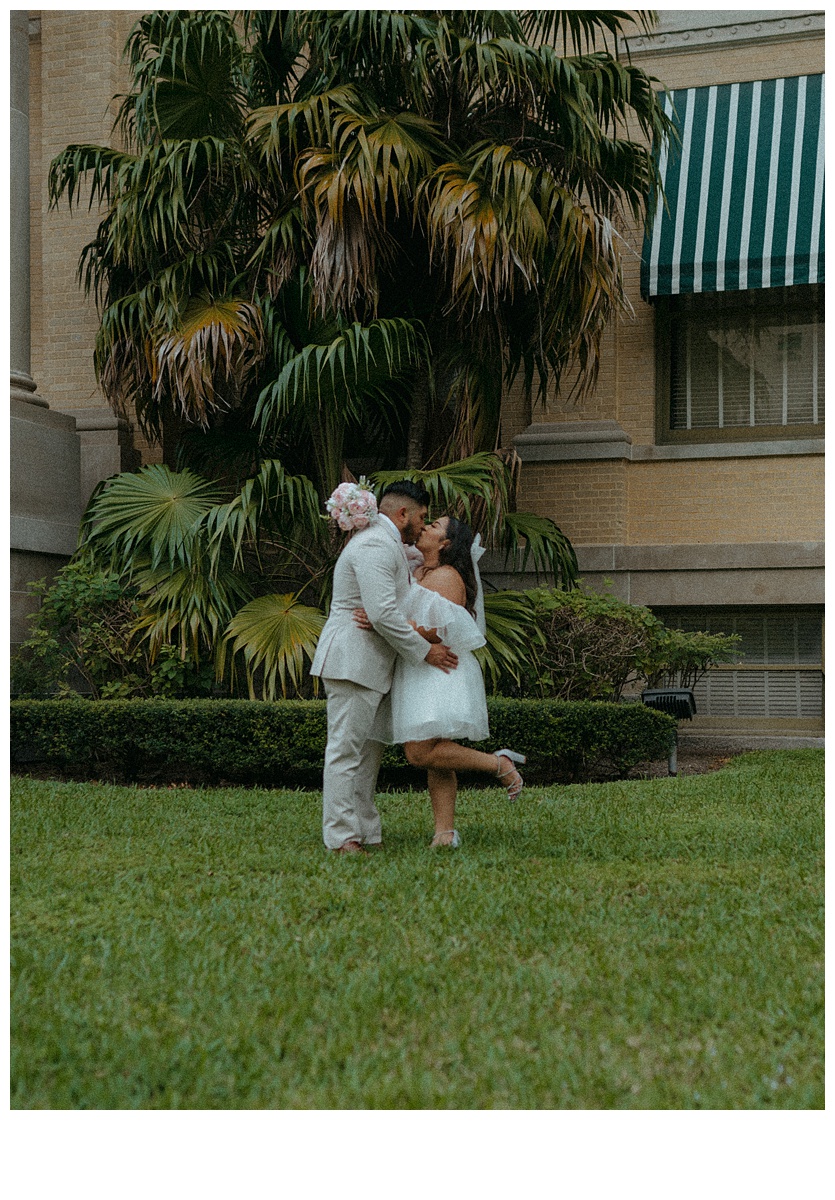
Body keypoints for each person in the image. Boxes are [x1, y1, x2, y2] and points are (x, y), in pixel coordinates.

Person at [356, 515, 525, 848]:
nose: (425, 528)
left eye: (433, 526)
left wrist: (383, 624)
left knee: (420, 753)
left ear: (445, 543)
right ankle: (444, 833)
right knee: (437, 755)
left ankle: (498, 764)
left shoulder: (448, 576)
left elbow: (438, 628)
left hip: (440, 670)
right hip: (417, 668)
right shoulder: (419, 570)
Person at [310, 481, 459, 855]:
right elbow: (382, 612)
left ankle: (365, 830)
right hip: (352, 659)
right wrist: (426, 651)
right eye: (422, 517)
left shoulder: (390, 543)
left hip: (372, 663)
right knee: (346, 751)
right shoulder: (376, 544)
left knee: (367, 753)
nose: (423, 525)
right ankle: (342, 837)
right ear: (402, 514)